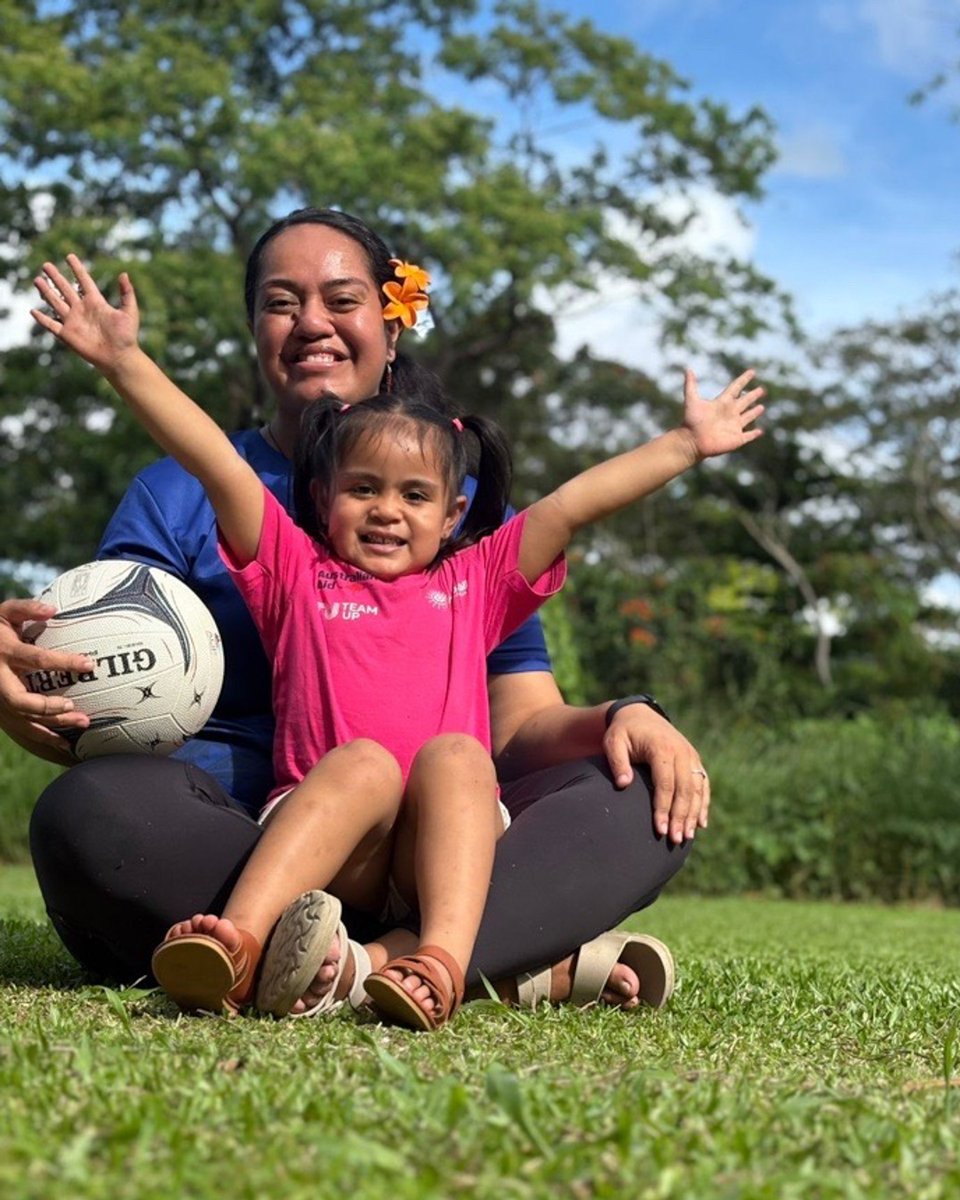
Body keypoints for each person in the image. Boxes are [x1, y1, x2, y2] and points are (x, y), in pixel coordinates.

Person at [5, 207, 730, 1018]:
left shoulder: (473, 565)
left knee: (619, 794)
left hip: (447, 844)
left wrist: (623, 716)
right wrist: (123, 361)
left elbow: (564, 523)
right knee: (104, 812)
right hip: (257, 834)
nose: (311, 321)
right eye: (282, 302)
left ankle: (376, 964)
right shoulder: (277, 551)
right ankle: (506, 959)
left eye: (340, 298)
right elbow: (197, 493)